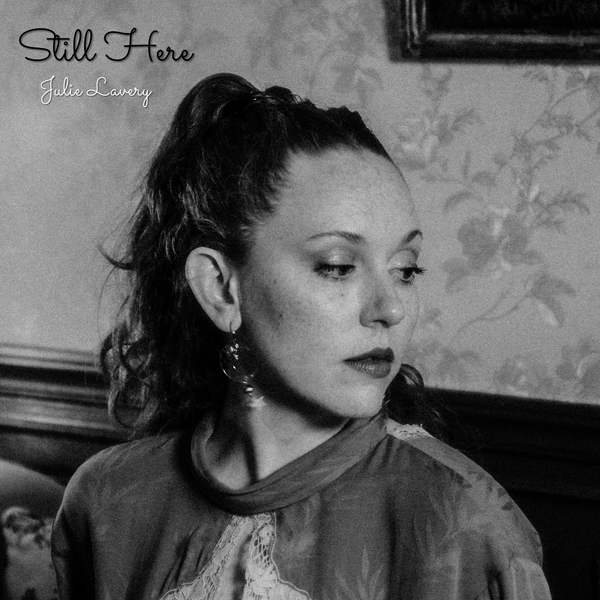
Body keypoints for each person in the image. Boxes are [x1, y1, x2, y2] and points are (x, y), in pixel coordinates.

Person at [51, 73, 551, 600]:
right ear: (221, 289)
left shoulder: (466, 521)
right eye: (337, 266)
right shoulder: (105, 501)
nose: (391, 308)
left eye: (406, 269)